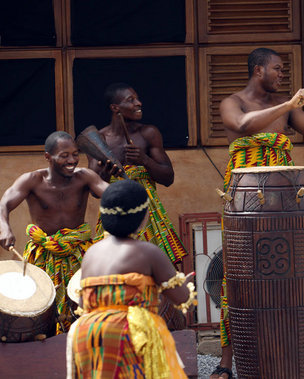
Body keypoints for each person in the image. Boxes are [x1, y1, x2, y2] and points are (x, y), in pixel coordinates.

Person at [211, 47, 304, 379]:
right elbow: (241, 124)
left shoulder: (287, 109)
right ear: (258, 71)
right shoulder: (233, 102)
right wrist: (290, 104)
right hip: (244, 199)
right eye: (277, 69)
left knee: (293, 274)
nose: (282, 75)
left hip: (286, 200)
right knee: (238, 275)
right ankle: (227, 361)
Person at [67, 180, 196, 378]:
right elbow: (181, 299)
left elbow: (84, 305)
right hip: (129, 334)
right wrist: (186, 286)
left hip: (88, 335)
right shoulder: (148, 252)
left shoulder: (91, 254)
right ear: (143, 217)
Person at [0, 131, 114, 333]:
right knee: (41, 309)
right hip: (43, 255)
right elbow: (4, 204)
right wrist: (4, 227)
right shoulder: (32, 180)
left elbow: (112, 194)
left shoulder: (85, 177)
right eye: (64, 155)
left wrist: (123, 188)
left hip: (79, 253)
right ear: (47, 157)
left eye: (75, 154)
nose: (72, 160)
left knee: (87, 305)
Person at [88, 82, 187, 266]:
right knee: (115, 266)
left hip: (148, 213)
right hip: (114, 212)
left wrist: (145, 160)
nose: (139, 103)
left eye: (137, 98)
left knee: (159, 268)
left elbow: (168, 178)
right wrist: (107, 175)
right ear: (115, 108)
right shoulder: (99, 140)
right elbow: (95, 191)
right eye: (131, 100)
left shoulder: (148, 133)